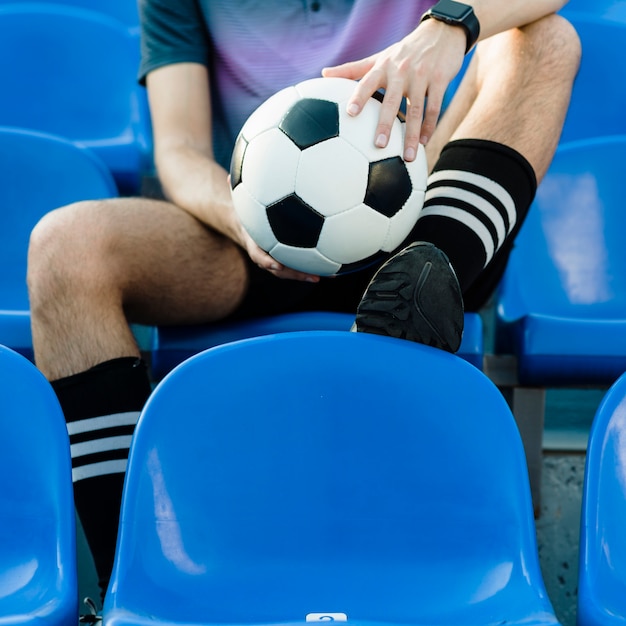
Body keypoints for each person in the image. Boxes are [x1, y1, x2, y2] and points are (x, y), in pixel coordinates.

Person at [26, 0, 580, 602]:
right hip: (264, 233)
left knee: (545, 38)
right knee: (64, 247)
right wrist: (244, 220)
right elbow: (180, 152)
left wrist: (450, 27)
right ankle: (138, 583)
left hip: (418, 214)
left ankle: (426, 284)